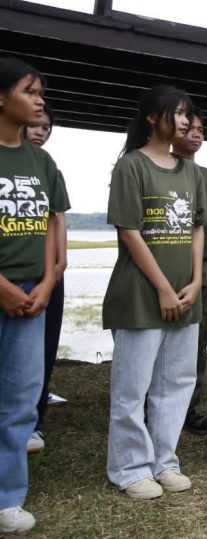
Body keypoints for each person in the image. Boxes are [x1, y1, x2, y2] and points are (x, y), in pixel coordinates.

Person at [103, 85, 207, 499]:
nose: (185, 121)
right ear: (151, 117)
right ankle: (129, 469)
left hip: (186, 294)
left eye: (187, 114)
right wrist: (163, 288)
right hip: (141, 295)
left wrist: (195, 281)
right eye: (177, 113)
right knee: (132, 388)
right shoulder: (131, 166)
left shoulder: (191, 172)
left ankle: (164, 461)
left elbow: (197, 227)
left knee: (177, 382)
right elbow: (130, 231)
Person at [0, 58, 65, 534]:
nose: (39, 101)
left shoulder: (41, 162)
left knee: (22, 399)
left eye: (41, 92)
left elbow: (46, 223)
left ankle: (7, 499)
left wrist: (46, 280)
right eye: (30, 91)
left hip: (31, 294)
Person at [170, 110, 207, 437]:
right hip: (169, 264)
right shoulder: (156, 168)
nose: (196, 134)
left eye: (201, 130)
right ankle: (154, 406)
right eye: (189, 128)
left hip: (205, 268)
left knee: (199, 337)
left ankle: (188, 407)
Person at [22, 102, 69, 455]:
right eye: (38, 125)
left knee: (43, 350)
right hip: (14, 274)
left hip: (48, 274)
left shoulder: (47, 166)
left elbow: (57, 217)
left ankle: (34, 421)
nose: (42, 131)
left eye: (47, 128)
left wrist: (57, 266)